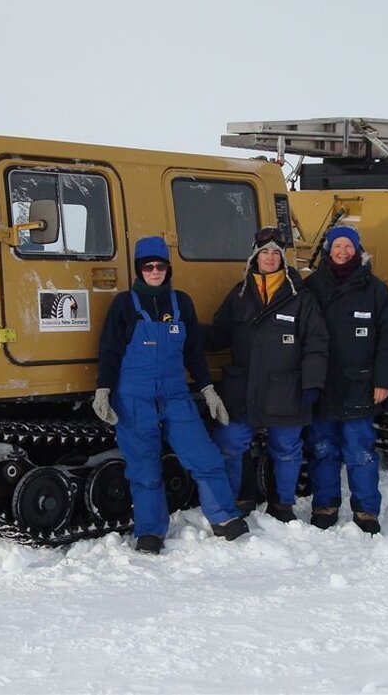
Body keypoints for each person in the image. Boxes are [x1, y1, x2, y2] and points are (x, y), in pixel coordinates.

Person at [93, 236, 248, 554]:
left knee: (205, 457)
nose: (154, 271)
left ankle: (223, 518)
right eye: (148, 266)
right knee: (144, 468)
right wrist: (103, 389)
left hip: (176, 396)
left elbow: (193, 353)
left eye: (160, 266)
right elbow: (109, 351)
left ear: (167, 268)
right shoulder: (124, 305)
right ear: (139, 269)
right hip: (134, 398)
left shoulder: (181, 303)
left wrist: (207, 389)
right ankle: (150, 531)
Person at [204, 226, 329, 523]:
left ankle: (282, 505)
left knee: (286, 447)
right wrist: (182, 331)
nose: (270, 257)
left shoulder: (301, 297)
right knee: (231, 441)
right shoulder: (240, 294)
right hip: (243, 386)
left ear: (283, 257)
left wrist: (312, 383)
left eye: (276, 252)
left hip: (286, 387)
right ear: (255, 256)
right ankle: (239, 497)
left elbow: (316, 342)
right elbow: (220, 333)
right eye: (264, 252)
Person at [302, 225, 388, 534]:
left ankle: (366, 510)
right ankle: (325, 504)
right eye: (337, 246)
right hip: (323, 383)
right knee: (322, 447)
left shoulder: (375, 289)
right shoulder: (311, 287)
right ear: (328, 251)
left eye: (348, 246)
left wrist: (384, 380)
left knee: (360, 450)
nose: (342, 251)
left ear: (358, 251)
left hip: (360, 384)